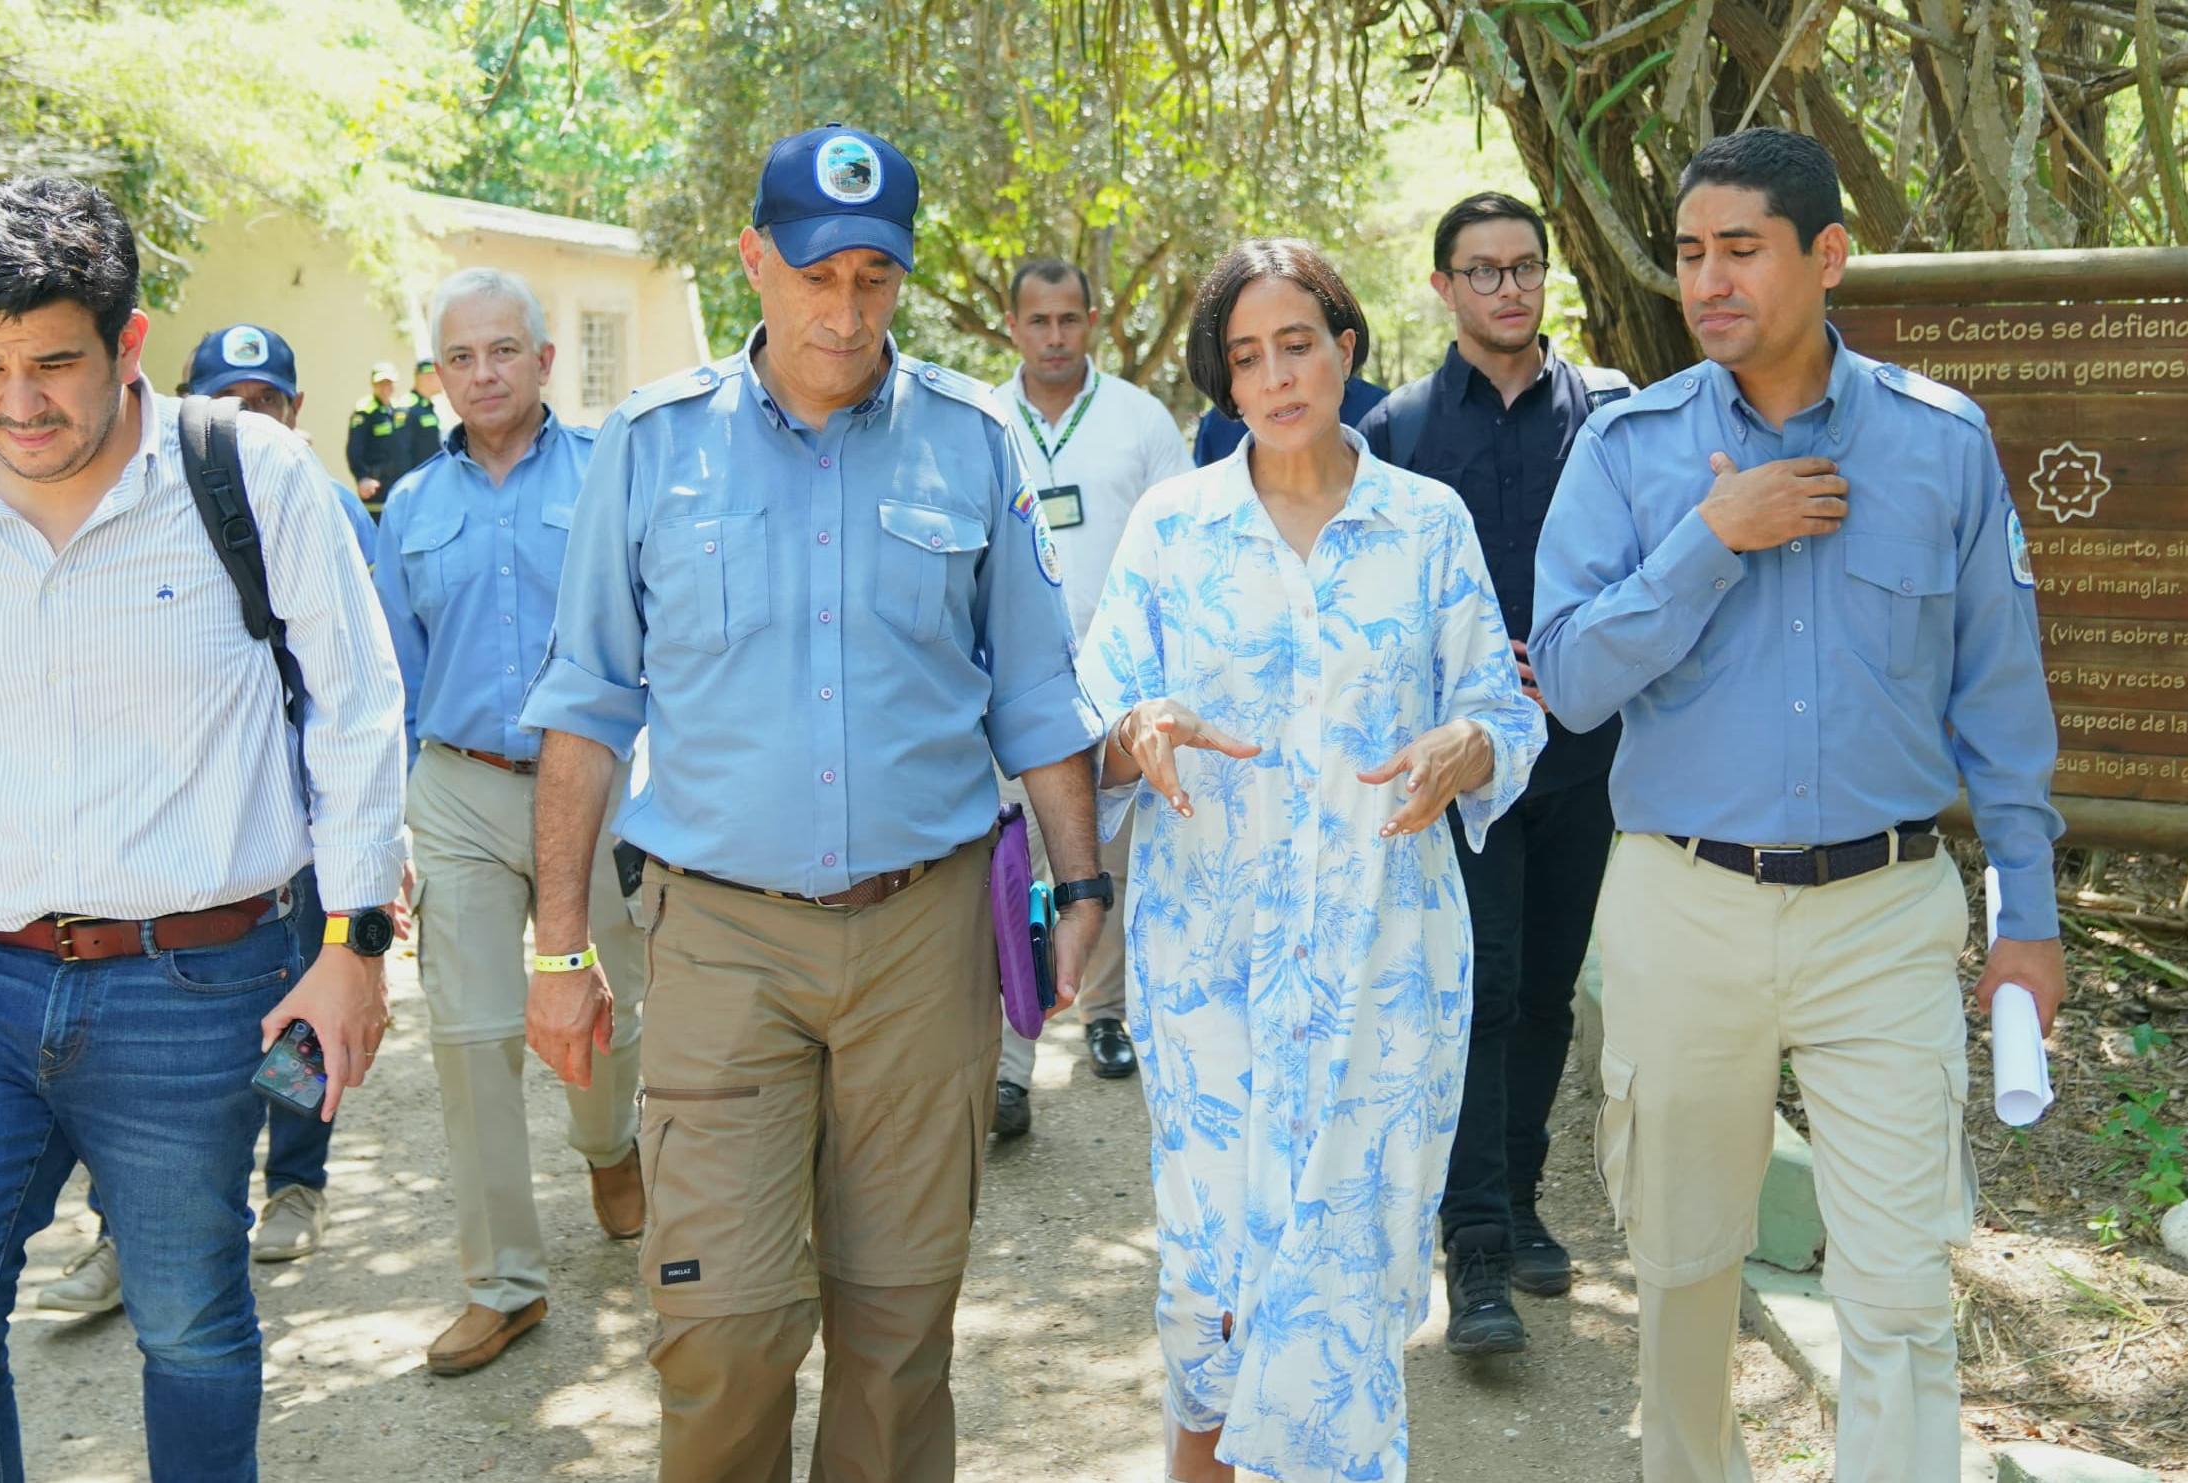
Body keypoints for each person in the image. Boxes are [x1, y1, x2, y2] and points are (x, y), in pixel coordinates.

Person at [0, 177, 406, 1481]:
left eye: (53, 362)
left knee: (190, 1324)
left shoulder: (250, 472)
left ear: (127, 341)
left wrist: (352, 945)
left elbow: (354, 713)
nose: (17, 403)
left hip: (197, 984)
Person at [520, 124, 1107, 1483]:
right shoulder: (650, 448)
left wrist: (1080, 886)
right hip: (721, 936)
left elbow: (1034, 687)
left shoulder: (970, 442)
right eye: (814, 275)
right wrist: (557, 949)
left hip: (923, 933)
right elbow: (585, 702)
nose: (844, 313)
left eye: (874, 279)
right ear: (752, 264)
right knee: (720, 1325)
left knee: (899, 1330)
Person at [1530, 128, 2064, 1483]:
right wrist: (1708, 541)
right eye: (1690, 253)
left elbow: (1999, 704)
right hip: (1680, 900)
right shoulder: (1627, 449)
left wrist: (2028, 916)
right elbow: (1572, 680)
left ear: (1824, 256)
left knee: (1896, 1289)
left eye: (1739, 249)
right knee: (1684, 1268)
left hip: (1882, 910)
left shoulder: (1939, 446)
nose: (1705, 280)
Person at [1082, 238, 1541, 1483]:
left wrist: (1466, 747)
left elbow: (1509, 719)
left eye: (1298, 343)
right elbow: (1093, 722)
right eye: (1246, 356)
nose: (1277, 374)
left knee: (1344, 1276)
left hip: (1383, 968)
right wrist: (1134, 733)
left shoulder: (1424, 524)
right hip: (1207, 963)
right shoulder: (1171, 529)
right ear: (1221, 384)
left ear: (1345, 349)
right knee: (1214, 1280)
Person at [33, 319, 383, 1319]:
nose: (242, 419)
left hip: (310, 831)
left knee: (301, 1021)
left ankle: (294, 1181)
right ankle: (120, 1233)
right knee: (142, 1050)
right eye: (222, 401)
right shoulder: (130, 502)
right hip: (181, 840)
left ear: (293, 412)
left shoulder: (318, 505)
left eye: (262, 403)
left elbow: (370, 685)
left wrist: (377, 844)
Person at [1352, 191, 1635, 1356]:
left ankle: (1515, 1202)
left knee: (1542, 993)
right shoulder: (1398, 429)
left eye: (1522, 268)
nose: (1506, 288)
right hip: (1456, 771)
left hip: (1582, 756)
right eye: (1481, 271)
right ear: (1442, 289)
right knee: (1474, 988)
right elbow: (1369, 597)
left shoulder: (1613, 420)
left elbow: (1647, 564)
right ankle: (1468, 1245)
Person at [359, 268, 653, 1377]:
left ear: (541, 362)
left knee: (606, 1006)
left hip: (595, 780)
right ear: (437, 376)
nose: (482, 373)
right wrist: (387, 820)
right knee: (472, 1037)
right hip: (462, 785)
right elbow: (396, 675)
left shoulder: (607, 475)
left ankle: (609, 1146)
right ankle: (502, 1284)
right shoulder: (412, 508)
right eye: (460, 357)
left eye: (502, 351)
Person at [985, 253, 1191, 1138]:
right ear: (1012, 327)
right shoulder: (982, 420)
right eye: (1039, 321)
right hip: (1005, 689)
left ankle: (1105, 1015)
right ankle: (1007, 1067)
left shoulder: (1140, 422)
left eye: (1070, 319)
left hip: (1118, 688)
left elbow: (1181, 546)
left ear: (1094, 322)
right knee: (1005, 871)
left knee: (1107, 858)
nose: (1055, 336)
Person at [1190, 367, 1383, 465]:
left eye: (1297, 347)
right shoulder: (1217, 425)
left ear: (1345, 350)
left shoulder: (1380, 411)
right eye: (1247, 358)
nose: (1275, 379)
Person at [345, 360, 439, 519]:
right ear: (373, 384)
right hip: (376, 489)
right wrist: (362, 478)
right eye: (381, 383)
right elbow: (354, 449)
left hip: (397, 485)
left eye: (389, 382)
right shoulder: (365, 411)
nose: (385, 387)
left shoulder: (398, 410)